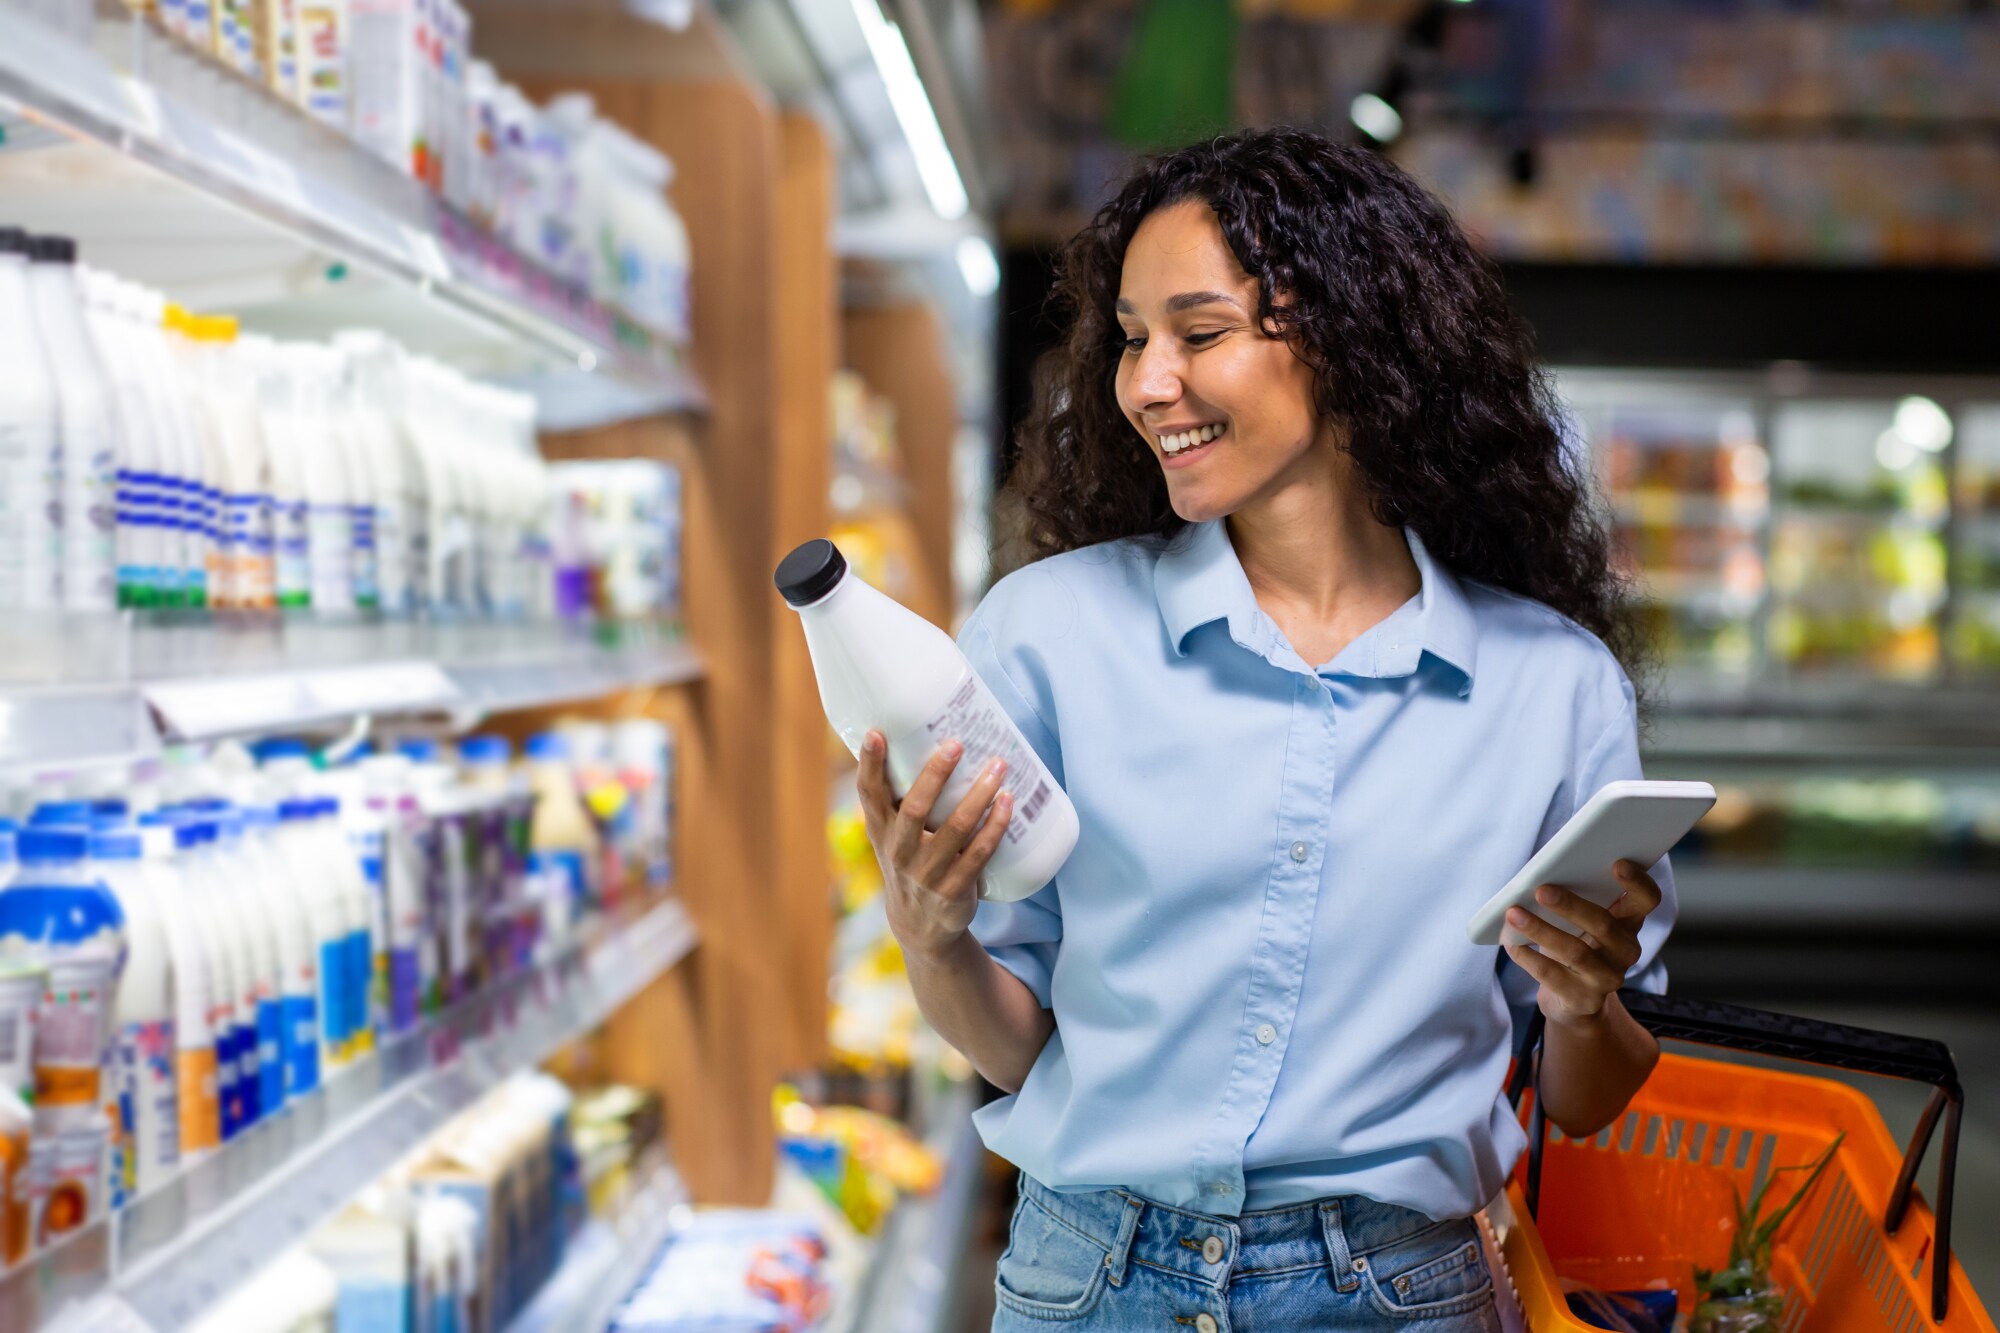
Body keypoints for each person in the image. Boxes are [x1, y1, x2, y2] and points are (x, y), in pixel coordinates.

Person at [854, 127, 1674, 1332]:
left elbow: (1588, 1095)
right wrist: (931, 938)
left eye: (1198, 333)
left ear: (1351, 340)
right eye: (1132, 338)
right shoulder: (1046, 635)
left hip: (1400, 1293)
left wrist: (1583, 1005)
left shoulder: (1550, 691)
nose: (1144, 382)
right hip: (1089, 1281)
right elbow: (1019, 1047)